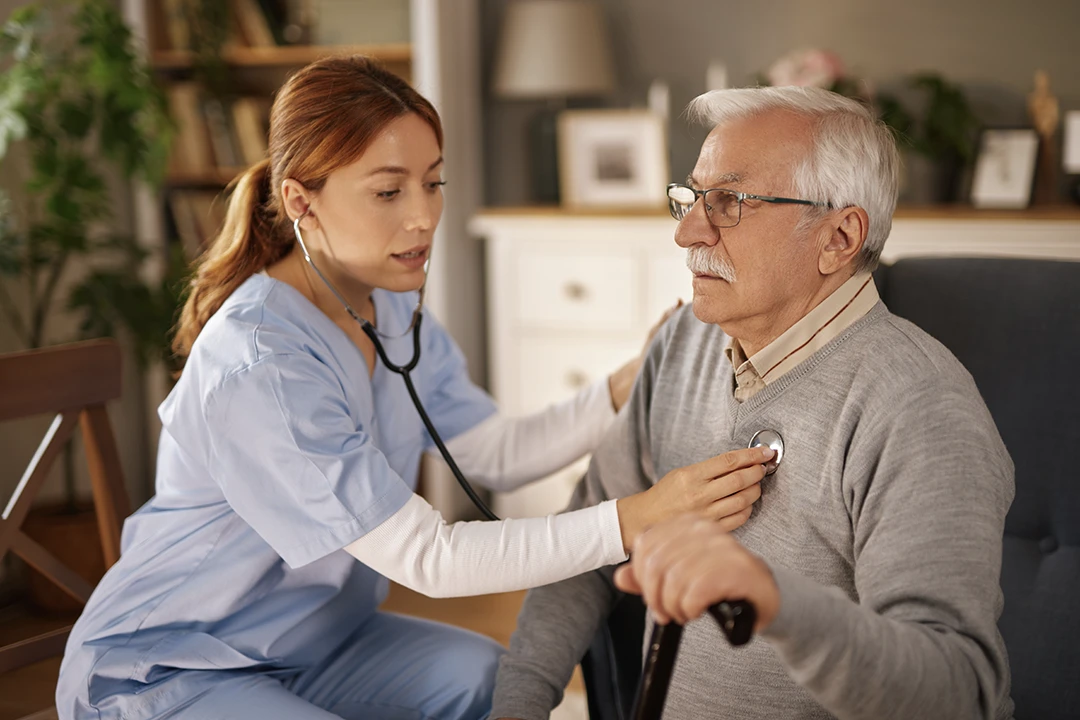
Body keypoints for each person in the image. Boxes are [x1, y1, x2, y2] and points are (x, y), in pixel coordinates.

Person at [54, 57, 774, 720]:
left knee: (498, 685)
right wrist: (636, 517)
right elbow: (429, 559)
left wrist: (628, 381)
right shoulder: (260, 366)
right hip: (176, 665)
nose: (424, 216)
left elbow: (490, 452)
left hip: (319, 648)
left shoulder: (388, 307)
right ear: (301, 202)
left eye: (433, 182)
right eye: (388, 191)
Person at [492, 86, 1015, 720]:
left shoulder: (920, 410)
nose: (687, 232)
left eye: (731, 202)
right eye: (691, 198)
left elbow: (956, 693)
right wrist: (516, 705)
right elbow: (584, 551)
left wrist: (774, 601)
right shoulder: (683, 341)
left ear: (838, 237)